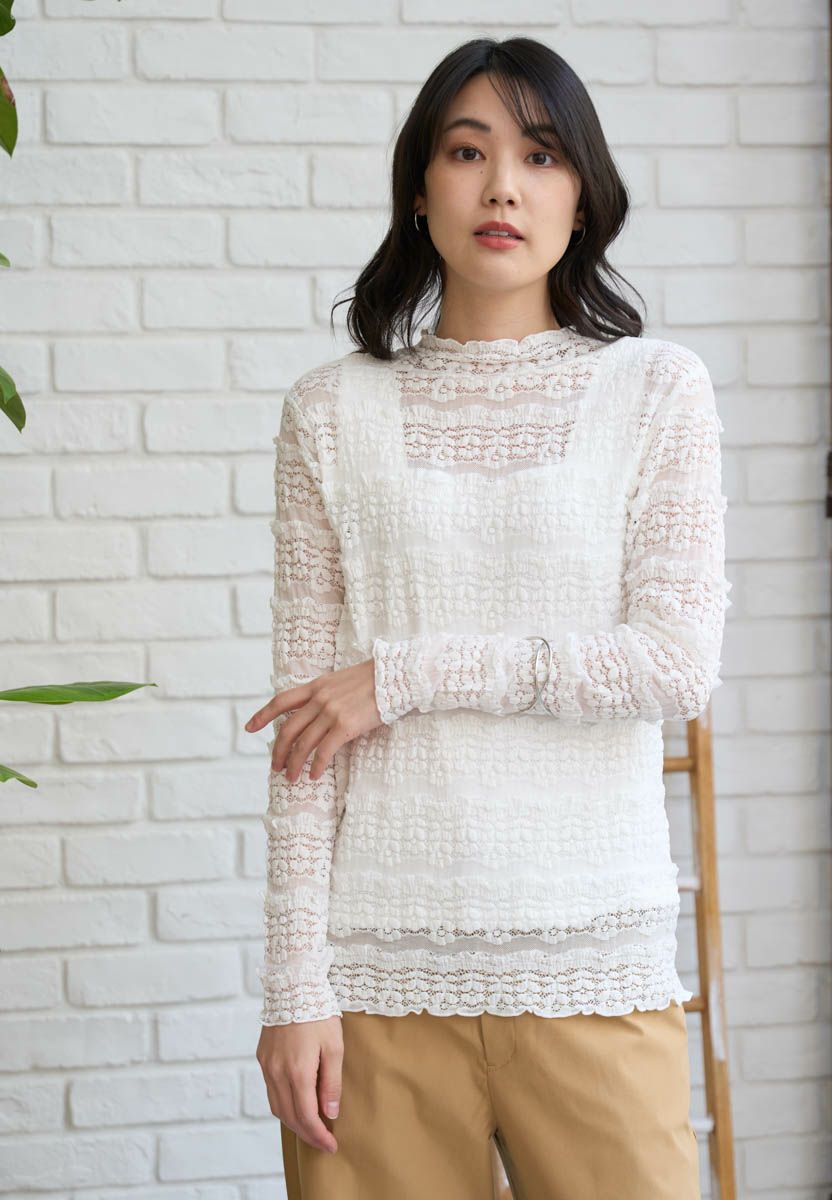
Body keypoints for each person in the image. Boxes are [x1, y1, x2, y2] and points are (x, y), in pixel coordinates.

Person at [243, 34, 729, 1200]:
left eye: (541, 155)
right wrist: (294, 989)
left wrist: (403, 675)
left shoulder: (654, 391)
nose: (502, 186)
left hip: (592, 961)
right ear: (421, 190)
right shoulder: (329, 413)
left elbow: (673, 664)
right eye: (467, 153)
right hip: (376, 983)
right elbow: (305, 738)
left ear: (583, 195)